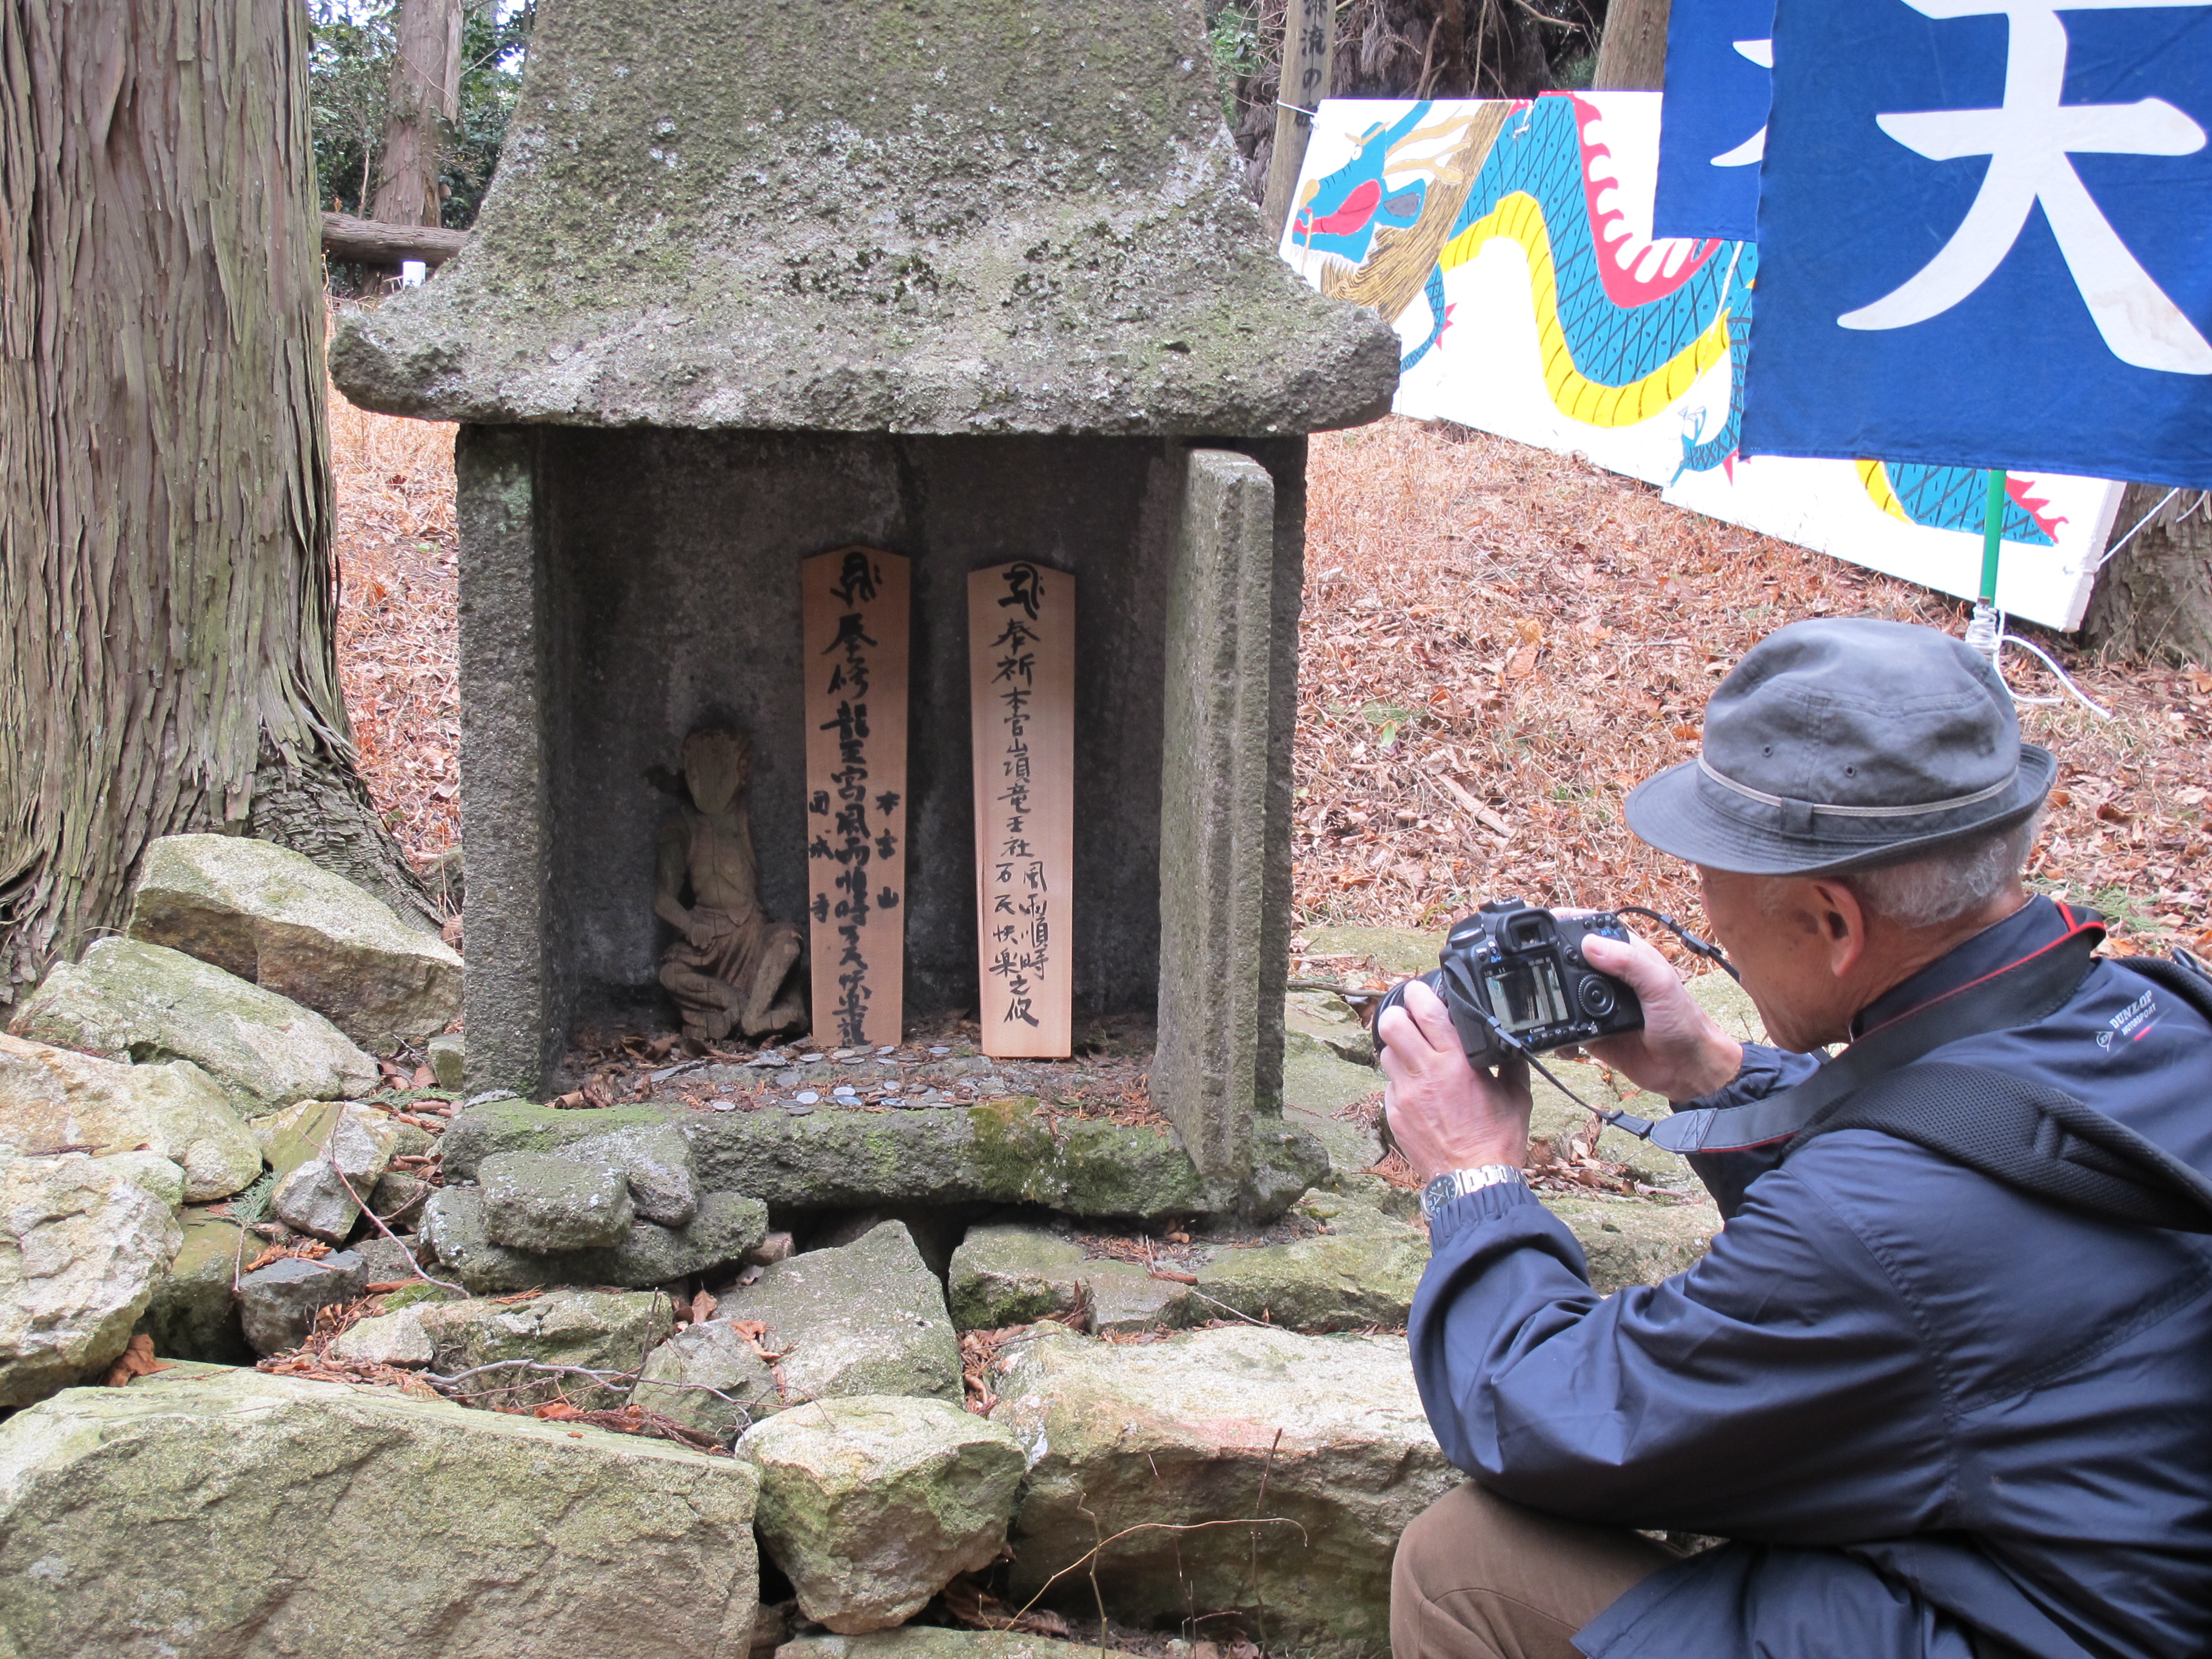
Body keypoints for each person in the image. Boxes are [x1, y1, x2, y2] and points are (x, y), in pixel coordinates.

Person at [1378, 618, 2212, 1659]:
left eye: (1714, 879)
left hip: (2039, 1624)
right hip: (2114, 1576)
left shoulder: (1873, 1228)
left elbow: (1542, 1417)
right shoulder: (2160, 1010)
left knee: (1466, 1564)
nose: (1707, 915)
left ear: (1833, 921)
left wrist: (1471, 1182)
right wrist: (1716, 1075)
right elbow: (1978, 1150)